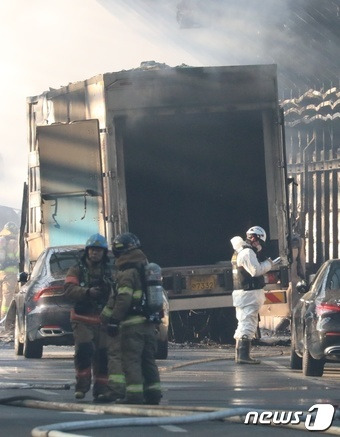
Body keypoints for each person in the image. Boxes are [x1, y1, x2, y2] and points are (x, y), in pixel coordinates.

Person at [100, 232, 162, 405]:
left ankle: (134, 395)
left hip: (132, 324)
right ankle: (153, 394)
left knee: (131, 360)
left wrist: (113, 320)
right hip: (149, 323)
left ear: (119, 252)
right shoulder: (146, 268)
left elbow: (123, 299)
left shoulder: (127, 272)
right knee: (148, 360)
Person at [64, 233, 117, 401]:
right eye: (93, 250)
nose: (95, 253)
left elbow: (117, 292)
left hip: (102, 319)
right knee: (84, 350)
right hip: (82, 318)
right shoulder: (76, 269)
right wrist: (87, 292)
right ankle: (81, 386)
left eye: (99, 251)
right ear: (87, 251)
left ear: (104, 253)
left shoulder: (109, 271)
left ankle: (101, 390)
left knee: (103, 356)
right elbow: (68, 290)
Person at [230, 226, 274, 364]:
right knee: (248, 323)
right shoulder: (247, 252)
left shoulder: (241, 252)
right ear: (255, 238)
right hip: (249, 293)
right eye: (260, 242)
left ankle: (241, 355)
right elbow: (256, 271)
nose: (260, 245)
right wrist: (269, 264)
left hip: (244, 293)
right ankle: (243, 356)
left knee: (244, 322)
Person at [0, 222, 19, 320]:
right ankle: (4, 319)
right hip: (9, 274)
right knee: (7, 297)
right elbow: (19, 257)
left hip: (0, 272)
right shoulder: (14, 242)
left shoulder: (0, 240)